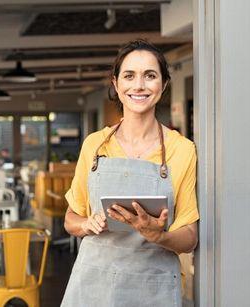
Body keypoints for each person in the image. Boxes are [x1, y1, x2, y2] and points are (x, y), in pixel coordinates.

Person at [61, 39, 199, 306]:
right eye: (129, 76)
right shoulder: (95, 145)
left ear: (164, 84)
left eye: (150, 75)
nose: (139, 85)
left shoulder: (181, 150)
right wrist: (86, 224)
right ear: (116, 84)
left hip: (152, 287)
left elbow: (190, 238)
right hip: (94, 284)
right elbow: (70, 218)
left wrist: (159, 235)